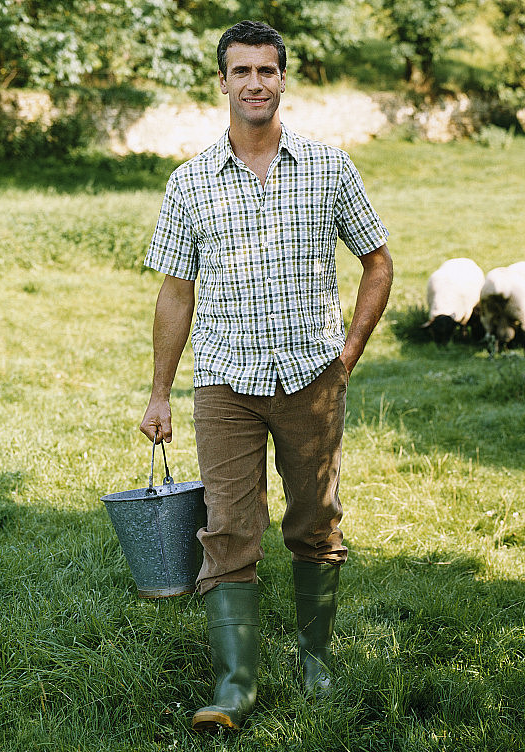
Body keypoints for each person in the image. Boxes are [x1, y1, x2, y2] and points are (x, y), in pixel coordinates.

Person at [139, 20, 393, 732]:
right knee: (227, 530)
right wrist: (161, 392)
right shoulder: (189, 181)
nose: (255, 83)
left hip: (312, 375)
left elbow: (378, 261)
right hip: (224, 381)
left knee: (315, 523)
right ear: (221, 83)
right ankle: (234, 686)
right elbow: (176, 291)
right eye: (242, 71)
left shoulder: (328, 167)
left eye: (267, 71)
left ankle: (317, 662)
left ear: (284, 80)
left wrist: (347, 354)